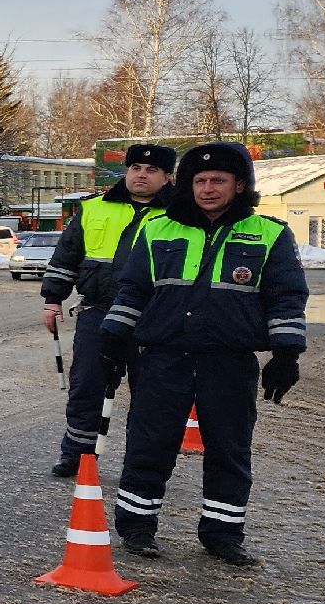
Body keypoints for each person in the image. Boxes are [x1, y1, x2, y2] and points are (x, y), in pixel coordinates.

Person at [98, 141, 307, 567]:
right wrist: (112, 342)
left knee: (229, 448)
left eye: (219, 180)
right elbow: (133, 290)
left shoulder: (269, 234)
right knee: (149, 443)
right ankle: (137, 528)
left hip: (228, 361)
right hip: (162, 356)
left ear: (239, 185)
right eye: (200, 180)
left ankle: (223, 534)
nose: (208, 188)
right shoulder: (159, 229)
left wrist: (287, 353)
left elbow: (287, 296)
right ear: (188, 185)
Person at [39, 144, 176, 477]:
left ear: (168, 177)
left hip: (154, 320)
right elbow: (66, 257)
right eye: (135, 168)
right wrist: (53, 298)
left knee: (151, 395)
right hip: (98, 313)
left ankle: (141, 464)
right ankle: (78, 456)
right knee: (86, 386)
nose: (141, 175)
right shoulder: (94, 209)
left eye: (151, 170)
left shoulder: (180, 215)